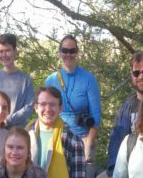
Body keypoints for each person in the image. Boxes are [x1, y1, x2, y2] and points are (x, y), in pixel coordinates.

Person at [43, 35, 101, 164]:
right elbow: (44, 112)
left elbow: (96, 117)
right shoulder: (51, 80)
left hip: (83, 139)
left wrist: (88, 147)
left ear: (77, 52)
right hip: (56, 139)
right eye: (65, 50)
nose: (68, 54)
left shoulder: (89, 79)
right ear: (60, 53)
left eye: (72, 51)